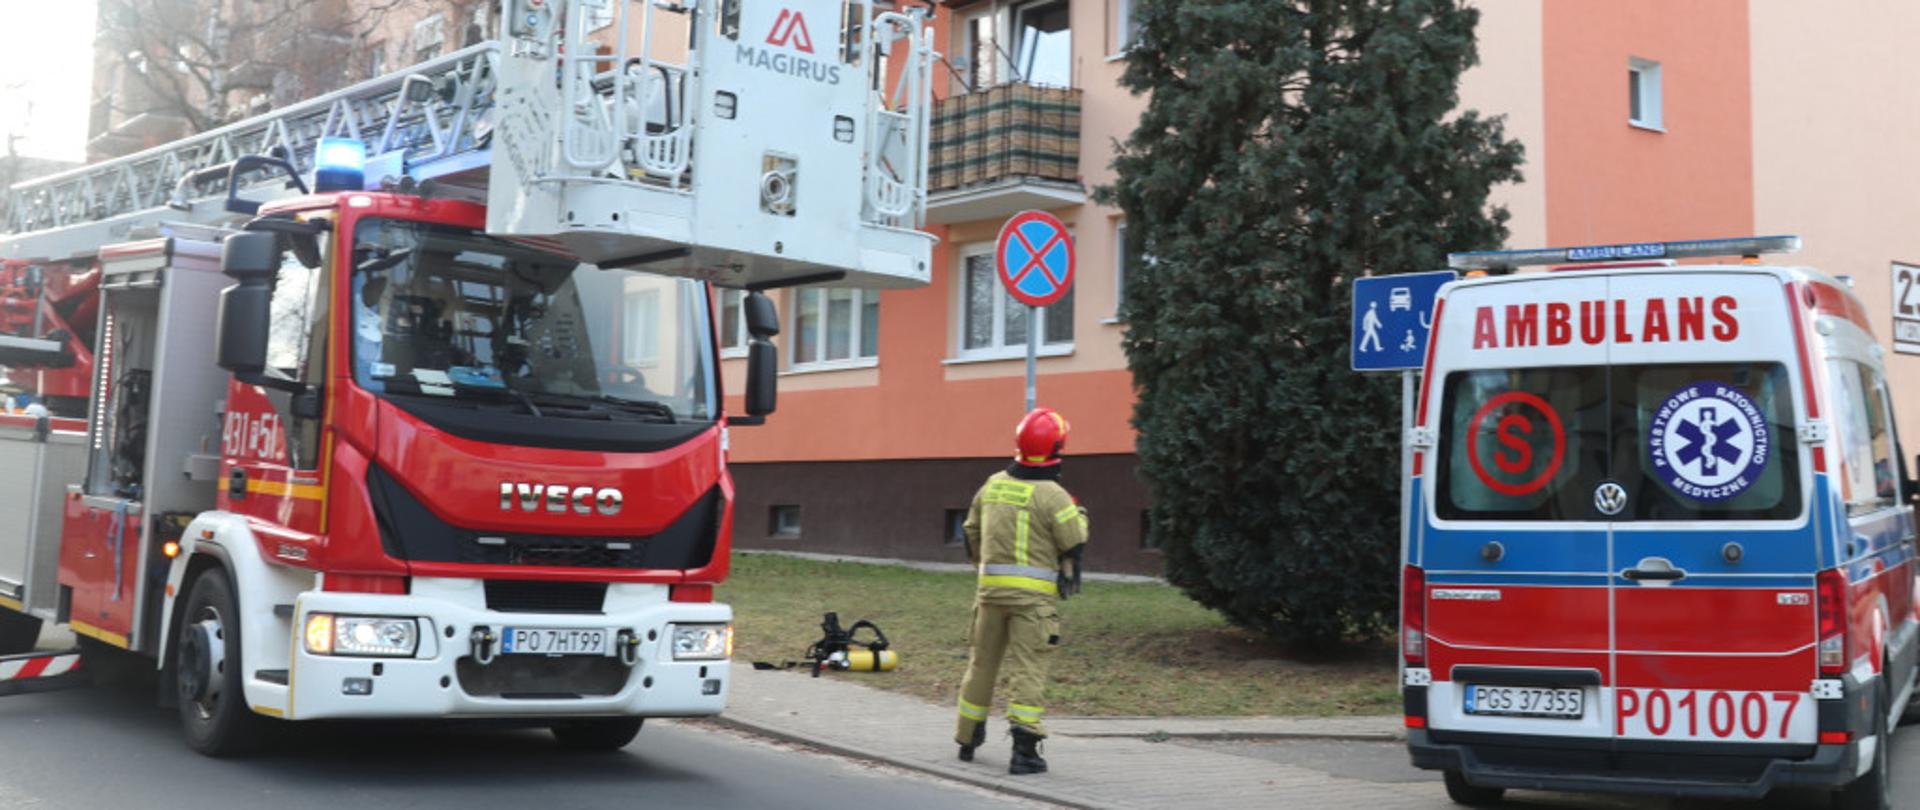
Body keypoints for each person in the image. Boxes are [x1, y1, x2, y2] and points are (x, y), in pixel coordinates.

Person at [953, 407, 1089, 775]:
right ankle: (1024, 752)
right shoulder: (1054, 494)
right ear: (1057, 447)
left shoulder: (993, 483)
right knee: (1029, 670)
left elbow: (970, 530)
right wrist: (1080, 513)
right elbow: (1073, 538)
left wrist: (985, 567)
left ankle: (967, 738)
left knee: (981, 665)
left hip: (990, 597)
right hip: (1032, 605)